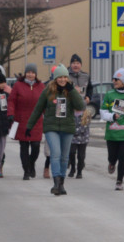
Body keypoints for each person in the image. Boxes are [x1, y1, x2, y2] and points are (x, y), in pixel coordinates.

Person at [25, 64, 85, 196]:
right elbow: (38, 109)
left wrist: (73, 91)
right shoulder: (47, 91)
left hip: (67, 127)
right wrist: (29, 126)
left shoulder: (70, 91)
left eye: (65, 77)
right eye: (60, 77)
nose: (62, 80)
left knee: (64, 157)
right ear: (55, 78)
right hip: (51, 127)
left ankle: (61, 183)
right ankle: (56, 182)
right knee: (55, 153)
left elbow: (80, 106)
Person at [8, 63, 44, 180]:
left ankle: (31, 163)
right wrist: (10, 113)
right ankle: (26, 171)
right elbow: (11, 100)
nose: (30, 74)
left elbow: (45, 102)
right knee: (23, 146)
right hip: (21, 120)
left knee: (36, 146)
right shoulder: (18, 85)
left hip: (36, 121)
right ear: (25, 73)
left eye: (32, 72)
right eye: (28, 72)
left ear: (36, 74)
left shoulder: (41, 86)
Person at [68, 107, 92, 179]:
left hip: (83, 138)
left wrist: (73, 131)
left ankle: (79, 171)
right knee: (71, 152)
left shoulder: (86, 113)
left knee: (81, 156)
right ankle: (72, 168)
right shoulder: (70, 112)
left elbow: (84, 127)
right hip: (72, 138)